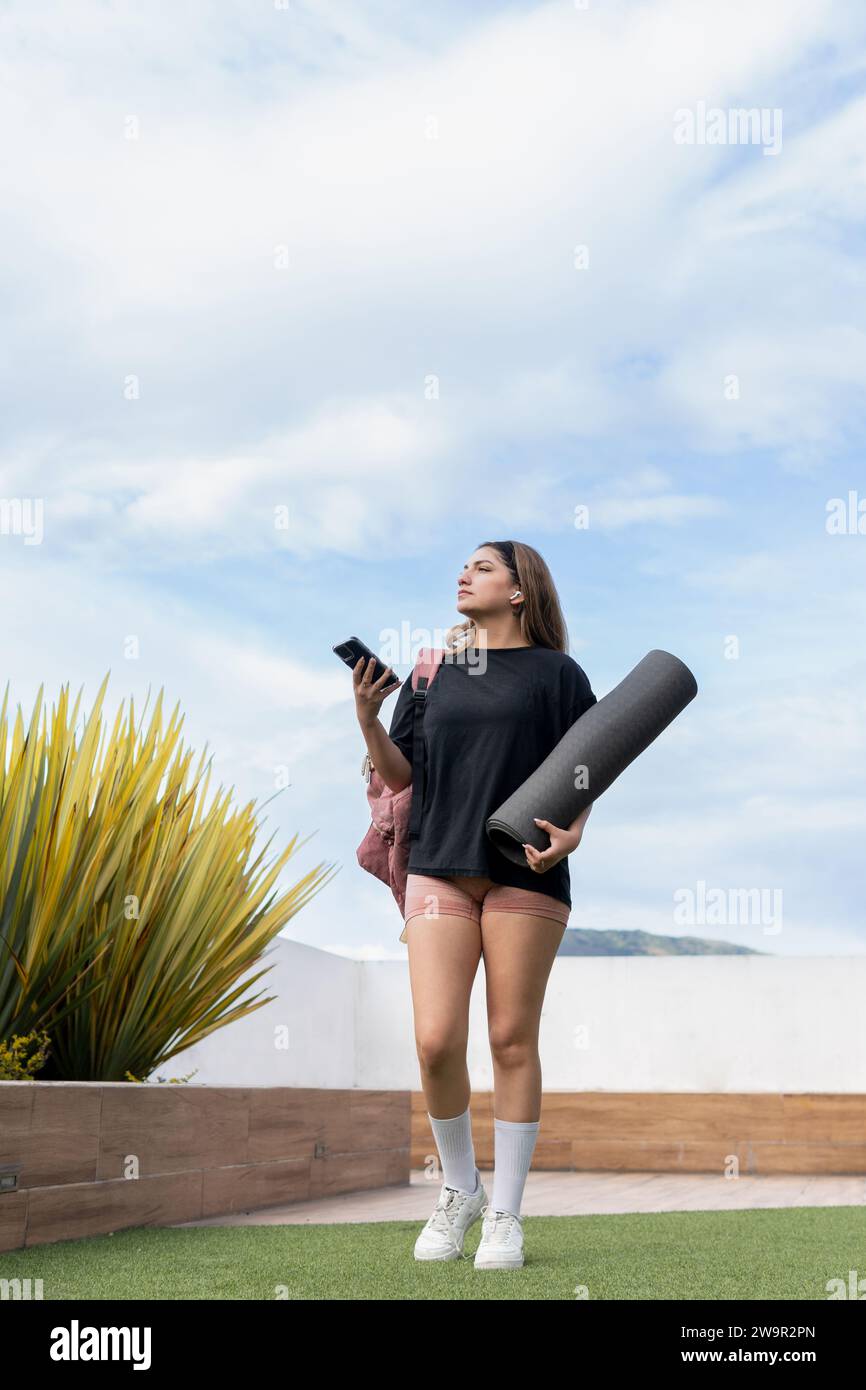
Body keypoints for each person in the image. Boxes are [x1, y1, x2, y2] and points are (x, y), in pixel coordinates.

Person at [352, 539, 597, 1270]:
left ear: (521, 591)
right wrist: (369, 717)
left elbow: (590, 763)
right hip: (439, 865)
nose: (465, 574)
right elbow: (403, 776)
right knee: (434, 1041)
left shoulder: (559, 675)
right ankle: (460, 1190)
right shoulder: (431, 674)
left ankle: (507, 1216)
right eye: (464, 566)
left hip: (525, 868)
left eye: (483, 566)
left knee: (512, 1040)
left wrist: (575, 831)